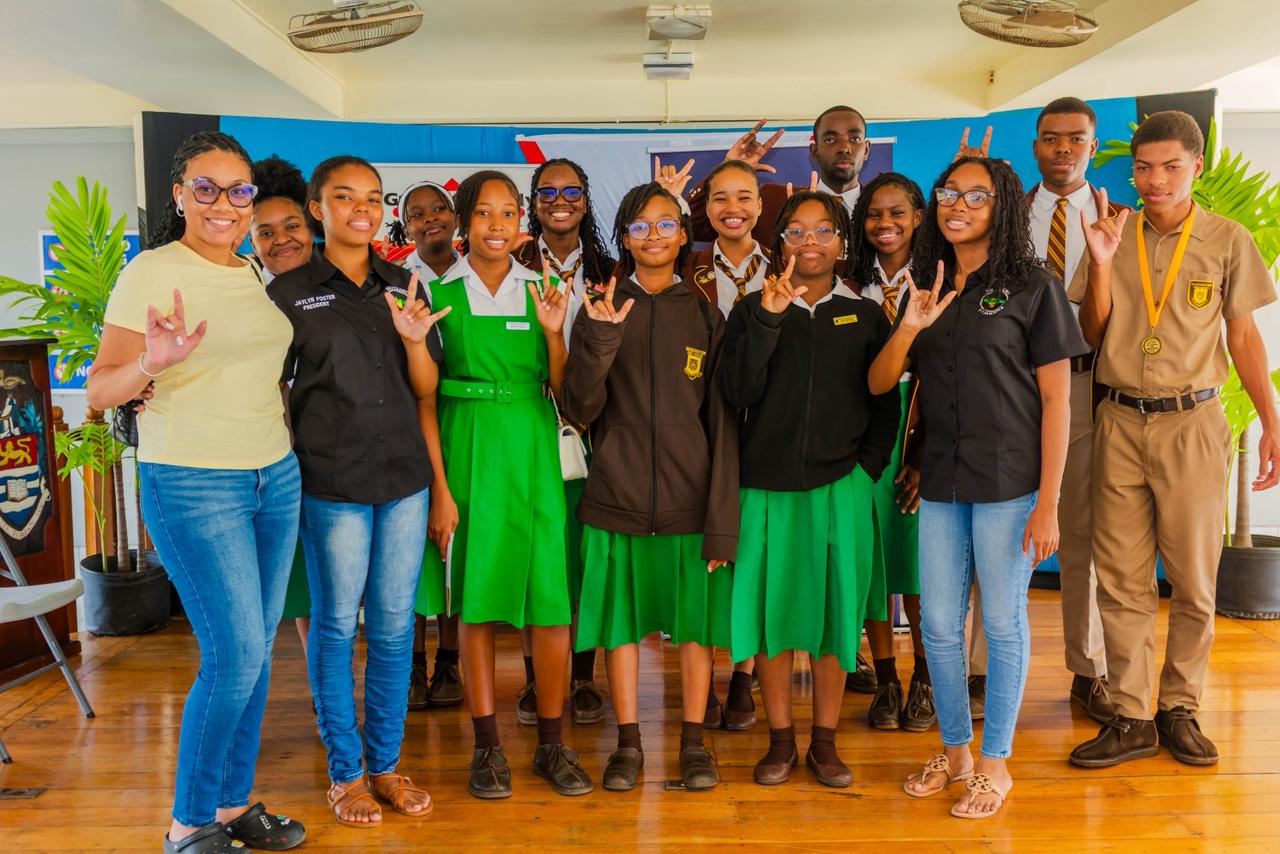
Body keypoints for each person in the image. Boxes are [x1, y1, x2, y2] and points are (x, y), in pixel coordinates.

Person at [89, 130, 306, 853]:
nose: (224, 203)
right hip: (192, 481)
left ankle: (232, 805)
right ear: (180, 194)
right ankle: (187, 824)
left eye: (238, 190)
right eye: (205, 188)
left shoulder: (251, 270)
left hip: (273, 475)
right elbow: (100, 390)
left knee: (258, 652)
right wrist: (151, 364)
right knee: (234, 654)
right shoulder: (150, 271)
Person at [871, 156, 1084, 818]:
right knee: (937, 625)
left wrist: (1048, 501)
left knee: (1001, 620)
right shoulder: (925, 287)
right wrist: (911, 324)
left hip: (1011, 483)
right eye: (948, 192)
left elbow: (1057, 401)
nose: (957, 204)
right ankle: (956, 752)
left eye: (975, 195)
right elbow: (882, 383)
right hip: (941, 481)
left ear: (1003, 206)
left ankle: (995, 765)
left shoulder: (1033, 287)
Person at [1068, 110, 1279, 768]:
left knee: (1192, 580)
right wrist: (1101, 266)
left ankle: (1179, 707)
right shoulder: (1111, 232)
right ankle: (1131, 716)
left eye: (1170, 166)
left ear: (1196, 166)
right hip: (1118, 420)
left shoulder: (1227, 239)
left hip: (1192, 422)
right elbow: (1091, 334)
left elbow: (1243, 337)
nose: (1155, 180)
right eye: (1143, 167)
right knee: (1121, 578)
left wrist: (1272, 422)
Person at [269, 155, 446, 828]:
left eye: (372, 197)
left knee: (396, 627)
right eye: (345, 197)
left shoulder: (405, 285)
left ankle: (387, 766)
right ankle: (345, 775)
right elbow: (270, 390)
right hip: (331, 483)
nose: (362, 209)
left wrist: (414, 342)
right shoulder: (288, 293)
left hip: (403, 479)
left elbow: (426, 390)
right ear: (318, 209)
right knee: (337, 626)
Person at [560, 182, 739, 792]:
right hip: (618, 495)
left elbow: (722, 423)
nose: (654, 235)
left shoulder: (706, 314)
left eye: (666, 224)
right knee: (621, 627)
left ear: (683, 234)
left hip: (691, 501)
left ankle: (693, 741)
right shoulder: (601, 308)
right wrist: (602, 338)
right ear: (624, 239)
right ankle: (628, 743)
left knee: (694, 629)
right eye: (640, 226)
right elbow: (579, 407)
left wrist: (721, 520)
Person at [719, 189, 899, 787]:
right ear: (779, 244)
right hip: (763, 491)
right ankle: (779, 741)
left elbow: (884, 405)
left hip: (840, 489)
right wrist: (769, 319)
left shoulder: (866, 315)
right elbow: (735, 392)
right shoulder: (752, 308)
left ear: (843, 243)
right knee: (772, 619)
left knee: (833, 618)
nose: (810, 241)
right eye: (796, 231)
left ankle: (824, 742)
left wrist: (865, 472)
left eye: (824, 230)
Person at [420, 170, 591, 799]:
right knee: (475, 601)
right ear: (464, 222)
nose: (497, 224)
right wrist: (440, 488)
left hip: (532, 447)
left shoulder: (545, 289)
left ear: (522, 221)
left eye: (508, 212)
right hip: (466, 446)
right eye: (484, 213)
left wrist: (553, 331)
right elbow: (424, 397)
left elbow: (566, 389)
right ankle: (487, 747)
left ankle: (551, 743)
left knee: (550, 602)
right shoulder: (436, 291)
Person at [1023, 96, 1134, 721]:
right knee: (995, 525)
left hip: (1086, 386)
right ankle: (980, 670)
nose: (1062, 148)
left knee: (1084, 532)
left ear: (1092, 145)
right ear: (1035, 146)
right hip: (1011, 390)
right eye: (1050, 138)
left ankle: (1088, 671)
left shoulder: (1122, 221)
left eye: (1075, 138)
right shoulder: (1007, 215)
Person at [510, 158, 617, 729]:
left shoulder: (610, 268)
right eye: (547, 191)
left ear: (585, 199)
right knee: (537, 557)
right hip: (531, 427)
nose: (559, 200)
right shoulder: (512, 265)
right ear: (533, 203)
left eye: (571, 190)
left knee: (583, 557)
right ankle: (536, 677)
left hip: (596, 434)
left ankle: (581, 676)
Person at [847, 171, 935, 732]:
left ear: (918, 217)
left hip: (923, 430)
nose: (885, 223)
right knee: (874, 562)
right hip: (862, 436)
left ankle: (925, 678)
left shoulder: (939, 280)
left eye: (897, 212)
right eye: (875, 214)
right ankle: (886, 679)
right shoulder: (849, 284)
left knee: (921, 564)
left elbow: (951, 376)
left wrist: (927, 458)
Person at [684, 157, 769, 731]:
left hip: (767, 426)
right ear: (705, 207)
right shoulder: (687, 267)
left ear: (761, 206)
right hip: (701, 425)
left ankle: (743, 674)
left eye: (744, 197)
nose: (732, 208)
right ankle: (704, 678)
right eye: (719, 197)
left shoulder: (788, 265)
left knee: (755, 553)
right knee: (709, 553)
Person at [387, 179, 465, 711]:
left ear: (455, 216)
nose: (430, 217)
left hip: (464, 421)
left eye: (439, 208)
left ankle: (451, 660)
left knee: (455, 544)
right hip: (410, 420)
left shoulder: (477, 272)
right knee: (413, 551)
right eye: (418, 213)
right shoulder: (395, 281)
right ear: (404, 224)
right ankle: (414, 663)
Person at [247, 156, 316, 680]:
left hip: (344, 454)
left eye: (291, 226)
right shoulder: (248, 296)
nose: (281, 240)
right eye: (265, 232)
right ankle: (323, 694)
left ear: (311, 223)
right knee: (301, 590)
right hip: (275, 462)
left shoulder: (346, 285)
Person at [688, 106, 873, 244]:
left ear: (866, 150)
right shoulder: (774, 200)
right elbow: (692, 227)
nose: (844, 148)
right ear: (814, 152)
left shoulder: (880, 209)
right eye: (830, 139)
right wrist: (729, 169)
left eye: (854, 138)